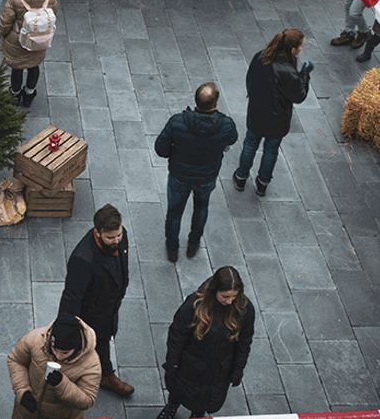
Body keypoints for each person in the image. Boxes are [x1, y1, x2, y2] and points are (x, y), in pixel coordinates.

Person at [155, 83, 238, 262]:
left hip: (179, 175)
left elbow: (160, 149)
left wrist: (175, 155)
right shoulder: (226, 124)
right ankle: (193, 245)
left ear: (195, 100)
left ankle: (172, 249)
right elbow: (232, 138)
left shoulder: (177, 121)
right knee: (201, 208)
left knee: (174, 212)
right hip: (206, 178)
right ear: (215, 104)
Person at [157, 267, 255, 419]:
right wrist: (173, 363)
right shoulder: (194, 306)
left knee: (205, 399)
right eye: (225, 296)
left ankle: (197, 415)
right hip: (190, 364)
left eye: (234, 296)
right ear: (214, 291)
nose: (229, 301)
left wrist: (238, 369)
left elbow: (244, 342)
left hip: (220, 369)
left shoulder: (244, 309)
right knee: (179, 390)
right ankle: (172, 406)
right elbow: (177, 336)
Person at [59, 204, 133, 397]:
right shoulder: (83, 259)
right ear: (97, 232)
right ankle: (103, 375)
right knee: (96, 342)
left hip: (109, 306)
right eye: (111, 238)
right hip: (91, 314)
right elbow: (71, 296)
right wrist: (66, 329)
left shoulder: (119, 235)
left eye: (119, 235)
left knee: (102, 340)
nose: (117, 240)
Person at [234, 29, 312, 197]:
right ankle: (262, 183)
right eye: (301, 46)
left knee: (249, 144)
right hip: (278, 119)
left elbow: (250, 79)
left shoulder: (261, 56)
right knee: (271, 150)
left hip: (256, 113)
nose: (301, 49)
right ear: (293, 50)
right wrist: (304, 76)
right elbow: (299, 96)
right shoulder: (289, 71)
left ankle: (241, 176)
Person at [7, 314, 101, 419]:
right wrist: (23, 391)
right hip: (26, 412)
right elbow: (16, 360)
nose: (58, 356)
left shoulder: (91, 364)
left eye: (65, 353)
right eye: (55, 350)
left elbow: (87, 400)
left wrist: (62, 384)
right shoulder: (35, 339)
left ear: (77, 346)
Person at [0, 0, 58, 108]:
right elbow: (54, 12)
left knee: (17, 68)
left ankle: (15, 94)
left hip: (18, 39)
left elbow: (6, 20)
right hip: (40, 37)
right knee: (34, 66)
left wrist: (3, 34)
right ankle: (29, 95)